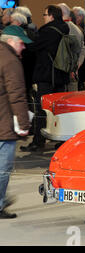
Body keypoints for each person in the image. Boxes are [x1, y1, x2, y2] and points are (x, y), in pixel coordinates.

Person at [20, 5, 70, 152]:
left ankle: (38, 141)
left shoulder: (48, 31)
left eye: (45, 14)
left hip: (47, 77)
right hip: (62, 76)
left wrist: (23, 37)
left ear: (51, 16)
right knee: (59, 110)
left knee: (41, 109)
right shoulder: (65, 29)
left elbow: (33, 47)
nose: (43, 17)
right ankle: (61, 139)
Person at [0, 25, 32, 219]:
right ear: (11, 41)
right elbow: (17, 95)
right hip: (4, 123)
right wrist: (24, 123)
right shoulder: (11, 61)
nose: (24, 47)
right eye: (21, 43)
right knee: (3, 168)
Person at [58, 3, 84, 92]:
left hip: (64, 76)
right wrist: (76, 67)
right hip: (73, 73)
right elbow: (82, 51)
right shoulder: (77, 29)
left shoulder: (63, 29)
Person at [72, 6, 85, 91]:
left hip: (80, 69)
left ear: (80, 17)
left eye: (74, 15)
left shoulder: (83, 32)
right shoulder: (83, 30)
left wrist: (79, 68)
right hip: (81, 69)